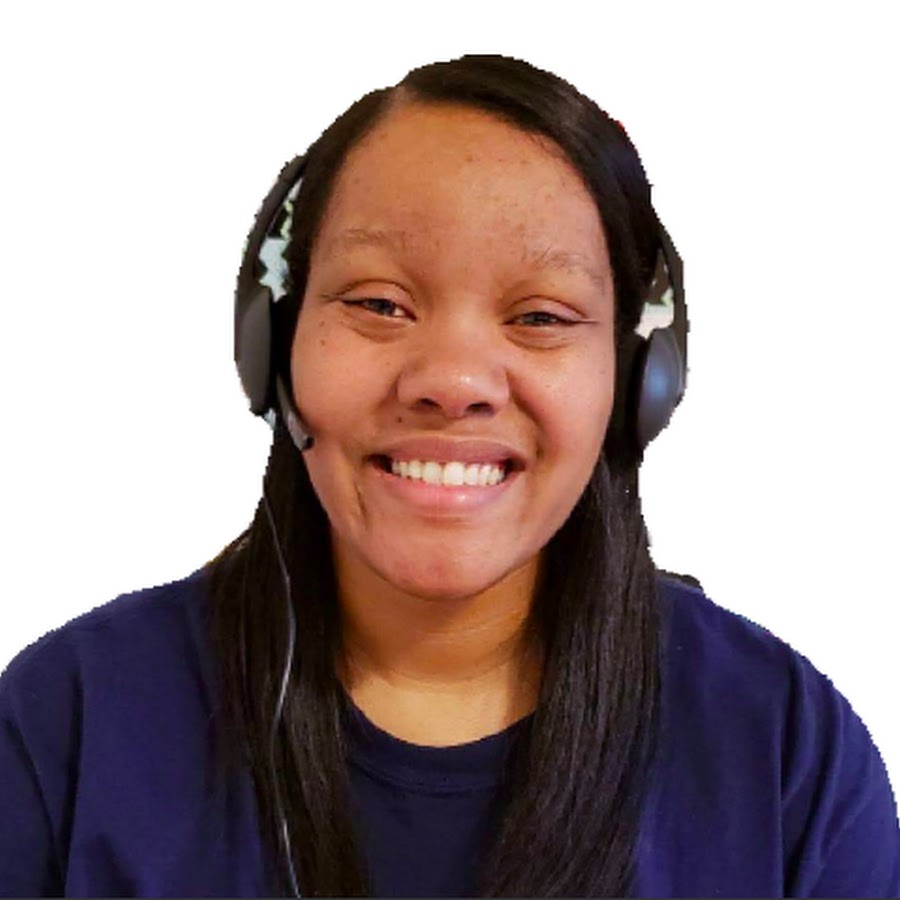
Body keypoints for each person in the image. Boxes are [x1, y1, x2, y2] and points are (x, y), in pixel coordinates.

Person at [1, 54, 897, 899]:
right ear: (271, 343)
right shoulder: (68, 725)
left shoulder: (786, 755)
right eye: (379, 303)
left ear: (638, 381)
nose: (454, 381)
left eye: (541, 316)